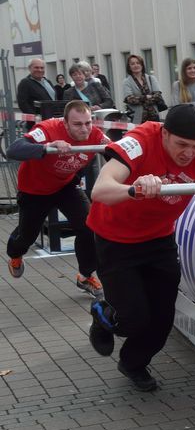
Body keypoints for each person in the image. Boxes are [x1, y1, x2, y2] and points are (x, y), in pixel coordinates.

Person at [86, 104, 195, 391]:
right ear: (164, 134)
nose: (188, 153)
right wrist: (134, 189)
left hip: (158, 241)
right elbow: (100, 190)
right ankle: (103, 315)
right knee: (133, 319)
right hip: (116, 241)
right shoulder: (141, 141)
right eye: (181, 145)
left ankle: (133, 363)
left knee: (162, 319)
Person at [6, 100, 107, 295]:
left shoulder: (96, 135)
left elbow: (118, 154)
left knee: (89, 226)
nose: (84, 129)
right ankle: (15, 253)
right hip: (34, 190)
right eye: (77, 124)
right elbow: (14, 149)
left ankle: (85, 276)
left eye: (88, 123)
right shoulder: (47, 130)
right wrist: (46, 147)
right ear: (65, 123)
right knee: (27, 236)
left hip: (65, 187)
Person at [122, 54, 165, 124]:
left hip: (154, 117)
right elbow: (130, 99)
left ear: (142, 65)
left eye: (138, 63)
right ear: (129, 67)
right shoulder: (127, 82)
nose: (136, 65)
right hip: (138, 119)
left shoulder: (151, 78)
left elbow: (158, 96)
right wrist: (146, 97)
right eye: (132, 64)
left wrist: (140, 99)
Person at [17, 58, 56, 126]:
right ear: (29, 68)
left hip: (52, 120)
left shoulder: (47, 81)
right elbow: (23, 104)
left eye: (42, 68)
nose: (39, 70)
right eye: (36, 67)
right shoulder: (25, 83)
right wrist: (36, 118)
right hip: (38, 123)